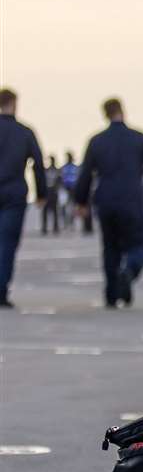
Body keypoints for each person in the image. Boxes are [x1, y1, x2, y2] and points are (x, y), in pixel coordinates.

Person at [72, 98, 143, 308]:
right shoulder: (139, 138)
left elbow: (85, 174)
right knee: (139, 246)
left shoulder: (96, 141)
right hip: (131, 199)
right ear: (123, 111)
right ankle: (129, 271)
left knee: (110, 248)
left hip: (106, 200)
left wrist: (81, 201)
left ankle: (112, 294)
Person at [0, 88, 46, 308]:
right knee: (7, 244)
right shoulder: (24, 132)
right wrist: (42, 193)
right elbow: (38, 164)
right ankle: (1, 289)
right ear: (14, 104)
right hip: (14, 193)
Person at [39, 155, 61, 235]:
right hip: (47, 192)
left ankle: (55, 227)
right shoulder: (46, 170)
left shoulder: (57, 171)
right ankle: (44, 227)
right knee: (45, 211)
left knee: (54, 211)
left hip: (53, 192)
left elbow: (60, 182)